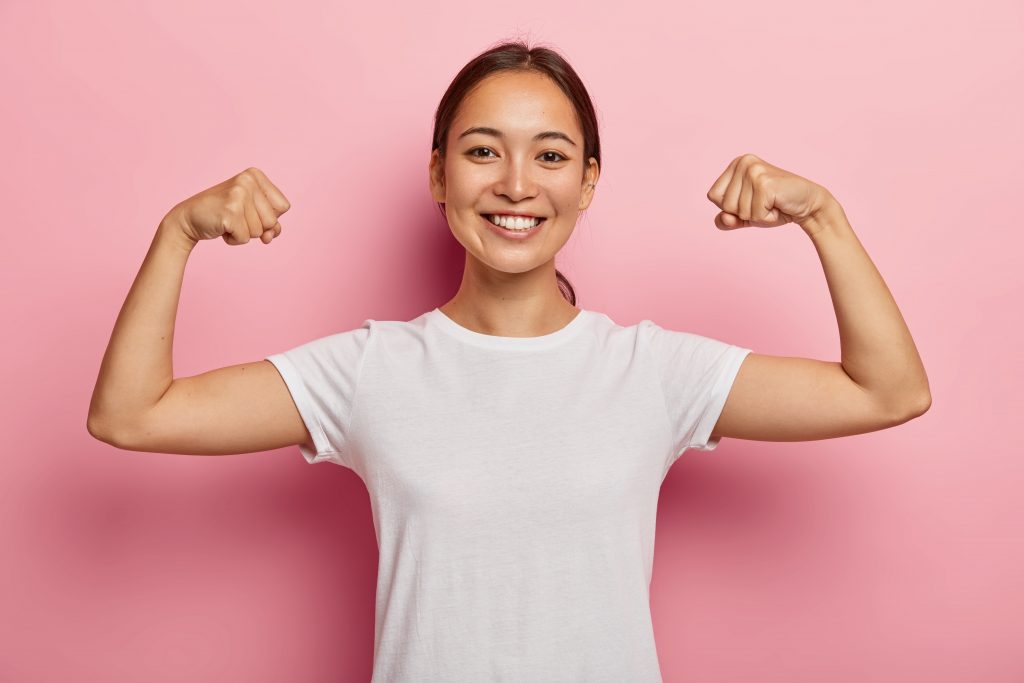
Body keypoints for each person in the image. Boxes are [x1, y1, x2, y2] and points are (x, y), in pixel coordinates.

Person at [88, 39, 931, 682]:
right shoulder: (370, 372)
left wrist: (823, 215)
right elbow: (131, 414)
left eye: (552, 155)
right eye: (484, 150)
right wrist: (179, 234)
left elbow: (887, 391)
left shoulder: (651, 372)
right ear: (438, 175)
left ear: (590, 181)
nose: (517, 184)